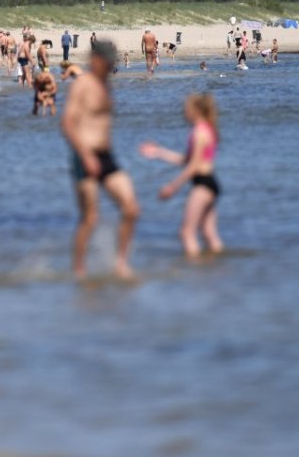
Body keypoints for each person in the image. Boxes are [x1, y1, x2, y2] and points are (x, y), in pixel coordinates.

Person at [61, 41, 140, 279]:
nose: (110, 65)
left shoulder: (106, 83)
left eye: (111, 61)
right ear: (95, 59)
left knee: (131, 209)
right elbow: (67, 123)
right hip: (84, 156)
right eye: (106, 61)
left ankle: (120, 264)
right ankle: (79, 270)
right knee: (91, 218)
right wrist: (85, 155)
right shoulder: (83, 84)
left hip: (106, 157)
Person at [140, 94, 224, 259]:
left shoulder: (199, 132)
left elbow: (193, 166)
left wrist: (172, 187)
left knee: (186, 233)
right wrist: (159, 152)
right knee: (208, 233)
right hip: (210, 184)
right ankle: (217, 270)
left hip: (202, 184)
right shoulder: (207, 129)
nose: (184, 112)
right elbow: (186, 160)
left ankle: (195, 274)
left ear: (196, 111)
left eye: (186, 109)